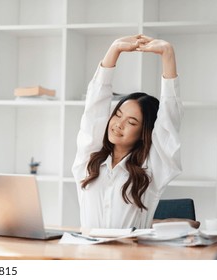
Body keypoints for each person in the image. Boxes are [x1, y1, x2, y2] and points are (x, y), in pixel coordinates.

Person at [72, 34, 184, 229]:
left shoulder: (152, 170)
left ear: (144, 132)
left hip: (131, 256)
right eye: (117, 115)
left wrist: (168, 55)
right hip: (87, 254)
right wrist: (114, 50)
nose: (118, 124)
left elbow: (169, 120)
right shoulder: (88, 161)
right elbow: (93, 110)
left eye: (131, 122)